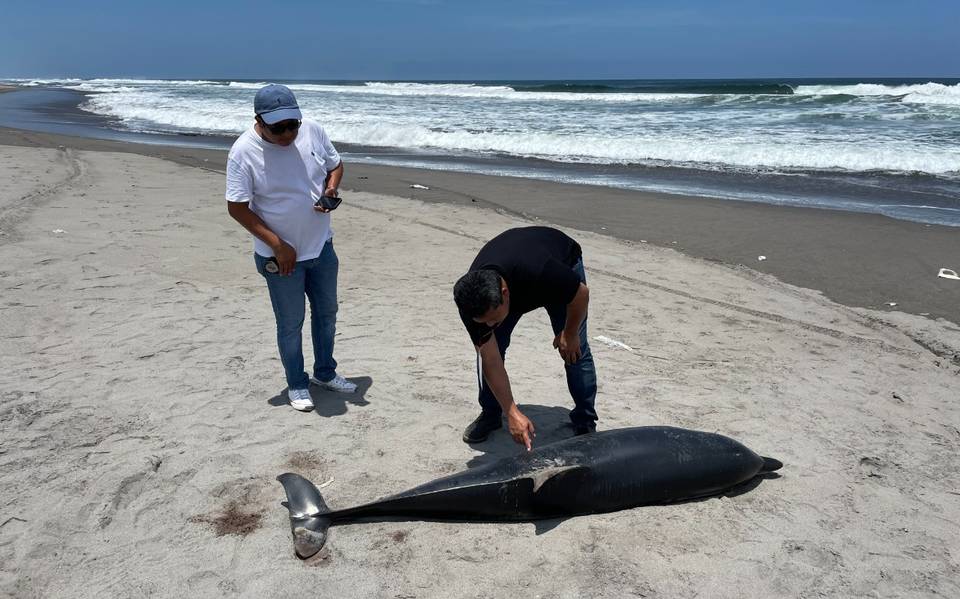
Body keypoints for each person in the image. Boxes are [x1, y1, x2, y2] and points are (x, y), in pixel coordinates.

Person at [225, 83, 356, 412]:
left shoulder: (312, 131)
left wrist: (331, 190)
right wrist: (278, 246)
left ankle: (325, 373)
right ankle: (296, 383)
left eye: (292, 125)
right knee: (290, 322)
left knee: (327, 314)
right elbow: (237, 207)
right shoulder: (243, 152)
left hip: (321, 247)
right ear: (259, 121)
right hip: (280, 257)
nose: (287, 134)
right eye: (278, 127)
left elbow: (335, 165)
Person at [453, 226, 598, 450]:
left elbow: (581, 295)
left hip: (557, 264)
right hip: (516, 270)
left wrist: (569, 333)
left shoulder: (543, 270)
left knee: (574, 350)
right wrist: (511, 411)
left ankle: (585, 419)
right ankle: (491, 415)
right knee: (491, 350)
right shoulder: (471, 303)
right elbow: (490, 359)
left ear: (505, 294)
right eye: (484, 322)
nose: (490, 326)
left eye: (493, 319)